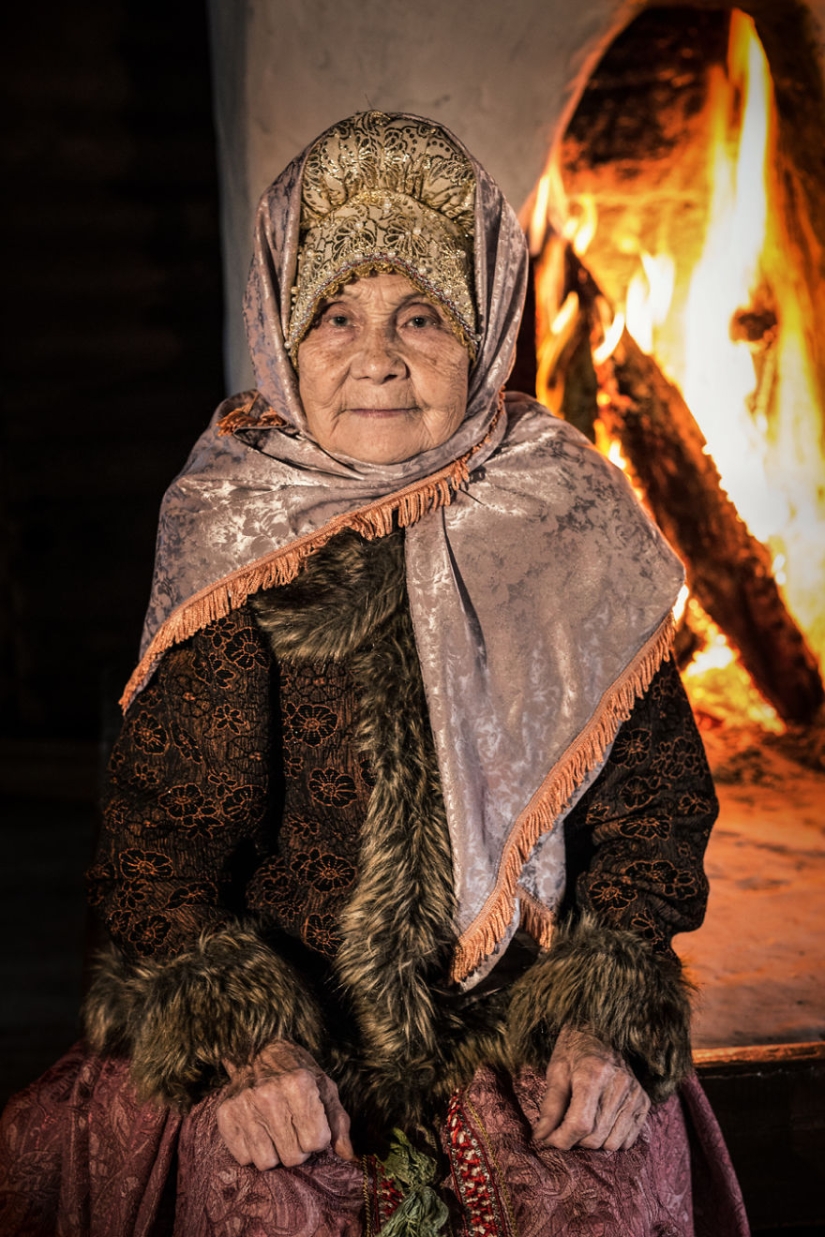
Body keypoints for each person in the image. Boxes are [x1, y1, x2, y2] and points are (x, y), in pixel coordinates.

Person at [0, 111, 750, 1237]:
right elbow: (155, 855)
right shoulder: (238, 527)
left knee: (599, 1181)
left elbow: (652, 807)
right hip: (288, 1024)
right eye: (335, 317)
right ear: (284, 337)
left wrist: (604, 1014)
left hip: (517, 1016)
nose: (378, 357)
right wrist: (245, 1042)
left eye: (423, 317)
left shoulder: (565, 513)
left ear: (485, 332)